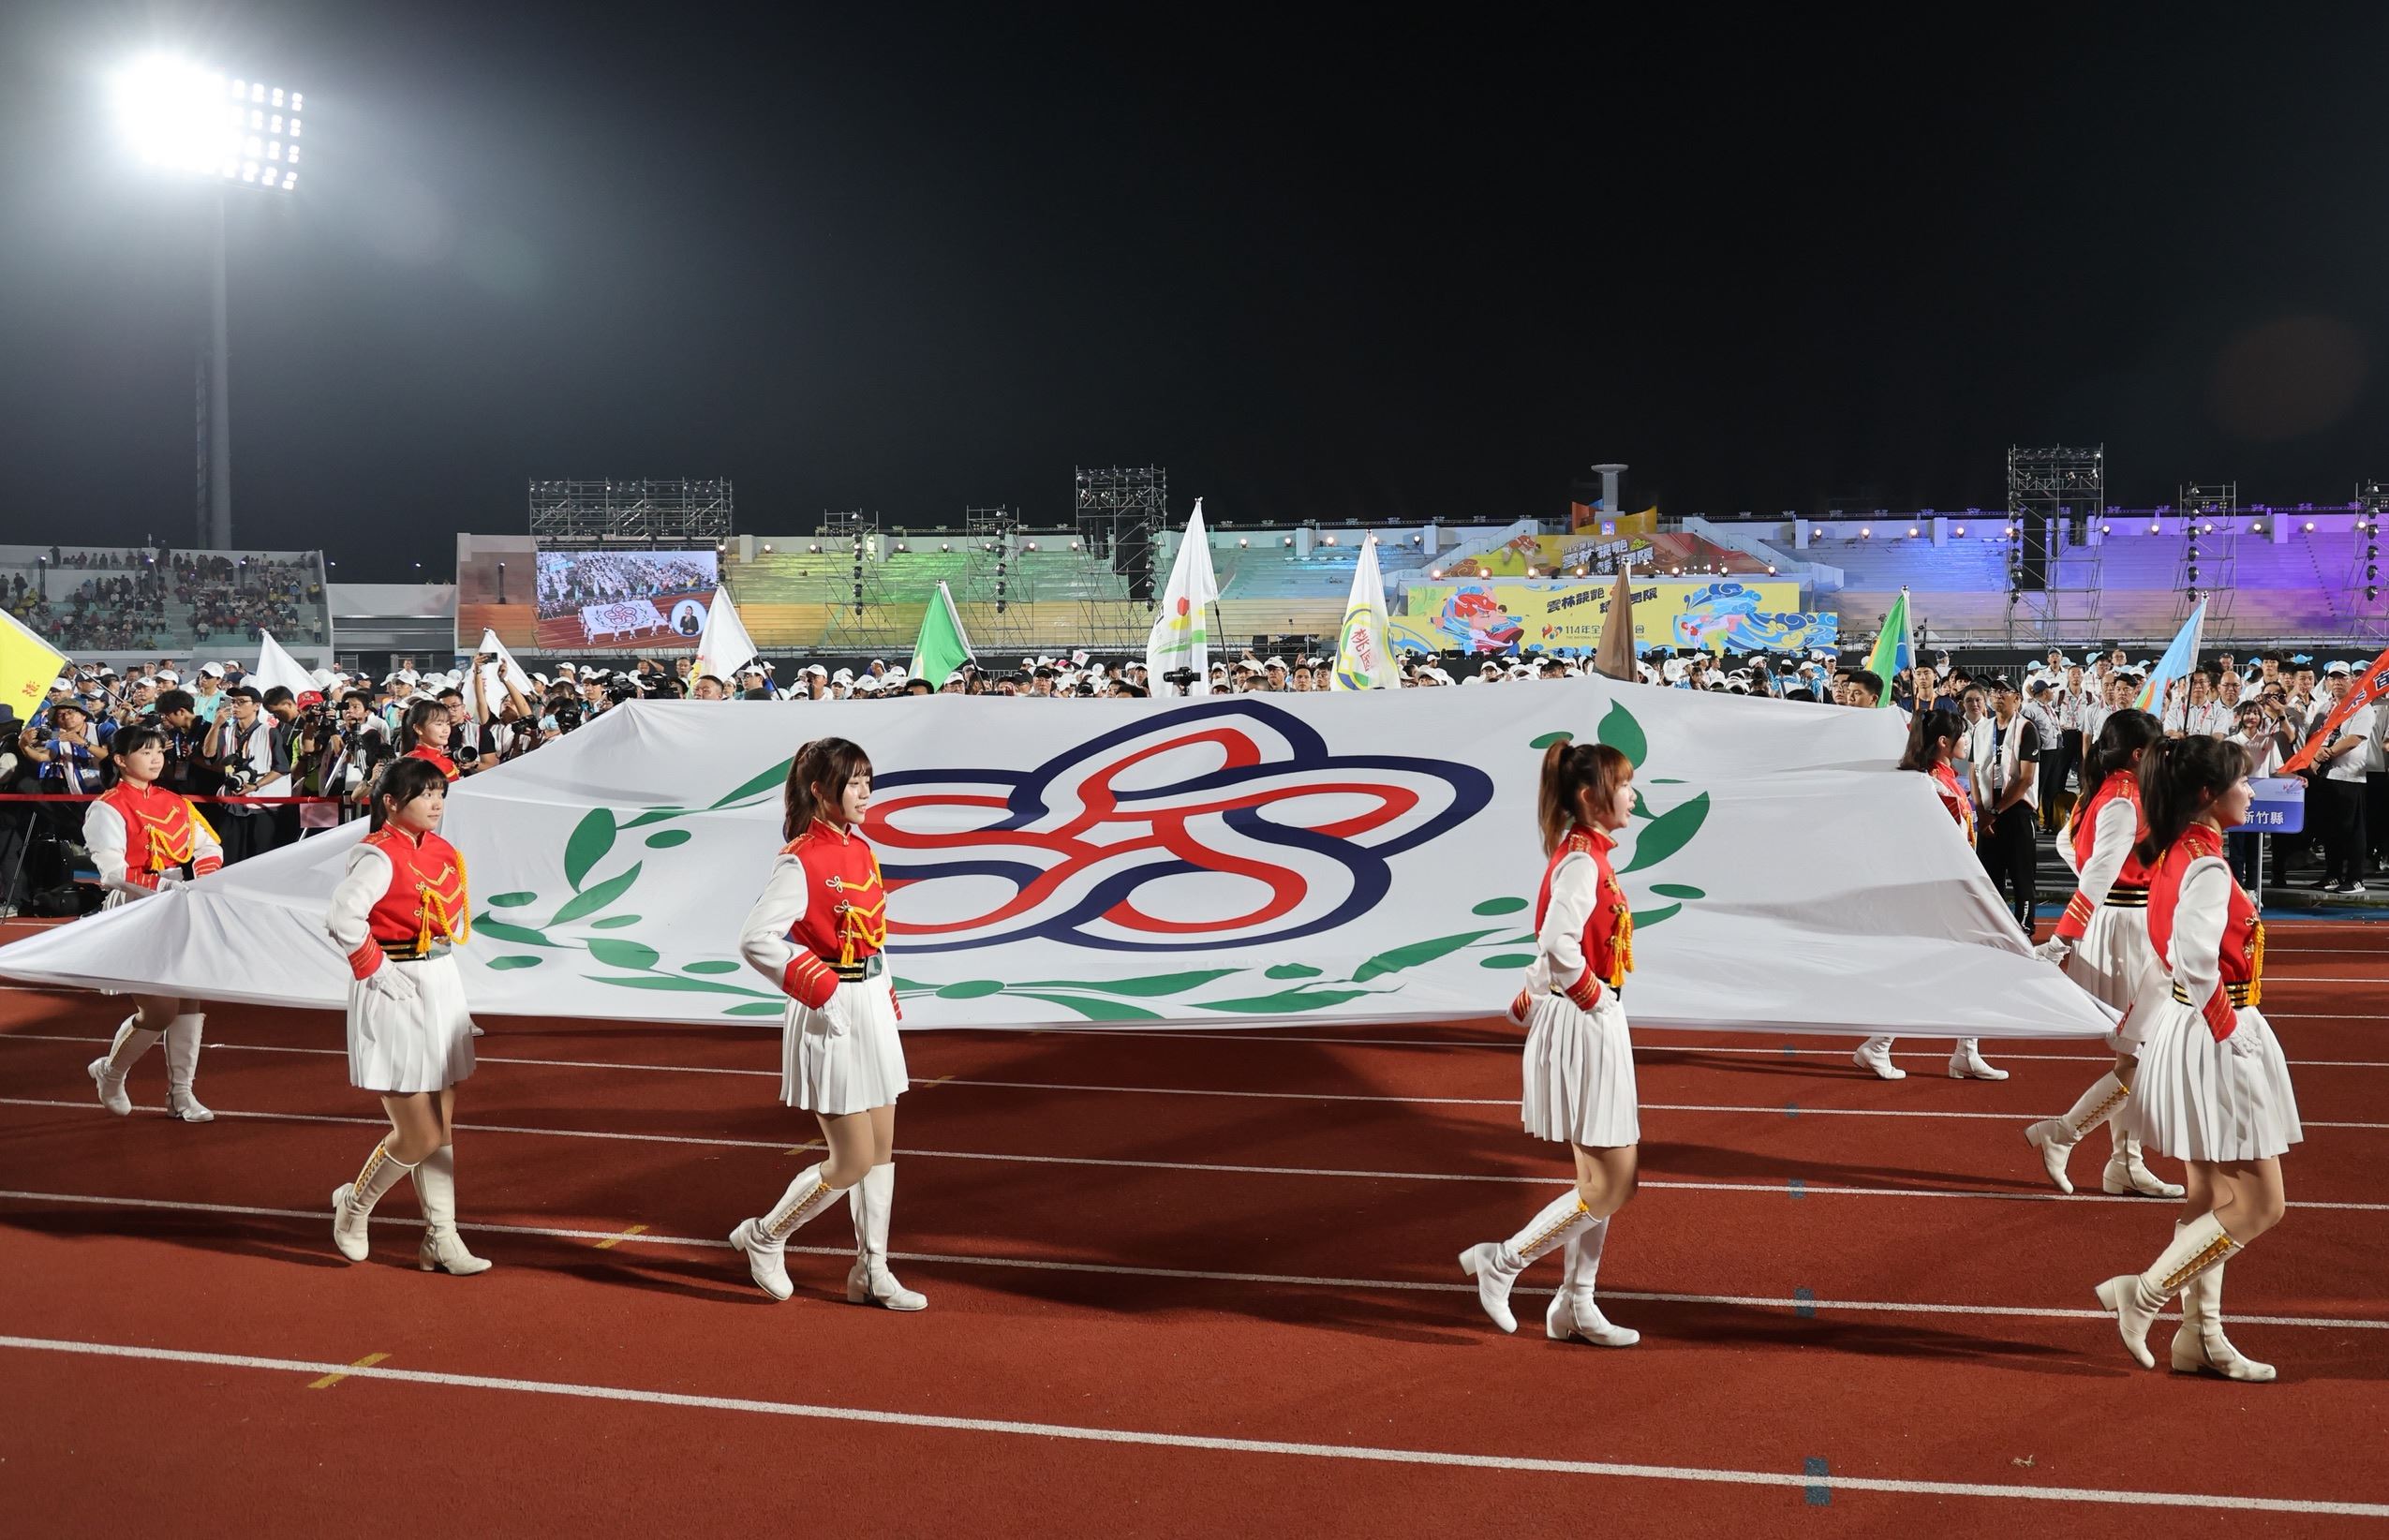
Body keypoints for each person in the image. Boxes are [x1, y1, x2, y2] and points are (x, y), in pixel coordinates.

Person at [2093, 735, 2299, 1381]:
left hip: (2188, 1026)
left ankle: (2199, 1337)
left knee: (2208, 1193)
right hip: (2215, 1030)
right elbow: (2193, 958)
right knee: (2260, 1204)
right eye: (2242, 780)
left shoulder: (2177, 850)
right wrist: (2227, 1029)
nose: (2251, 791)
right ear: (2208, 794)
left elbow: (2171, 959)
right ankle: (2144, 1294)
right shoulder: (2204, 863)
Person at [727, 736, 924, 1311]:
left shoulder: (860, 848)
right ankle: (766, 1236)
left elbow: (872, 934)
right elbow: (755, 939)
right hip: (829, 1011)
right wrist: (823, 988)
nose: (865, 792)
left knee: (881, 1151)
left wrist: (885, 991)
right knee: (852, 1159)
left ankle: (871, 1272)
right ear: (820, 790)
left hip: (870, 1003)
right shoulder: (801, 859)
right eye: (853, 781)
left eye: (868, 780)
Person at [1458, 739, 1642, 1347]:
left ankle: (1575, 1304)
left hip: (1583, 1014)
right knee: (1612, 1183)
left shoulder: (1583, 852)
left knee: (1600, 1180)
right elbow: (1557, 939)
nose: (1633, 795)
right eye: (1623, 785)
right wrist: (1591, 997)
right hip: (1588, 1021)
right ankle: (1503, 1261)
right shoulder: (1584, 861)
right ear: (1591, 797)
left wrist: (1533, 993)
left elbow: (1556, 944)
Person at [322, 757, 489, 1275]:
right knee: (418, 1133)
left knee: (443, 1126)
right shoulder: (377, 854)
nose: (437, 803)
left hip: (440, 982)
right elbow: (341, 918)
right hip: (394, 986)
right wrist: (375, 969)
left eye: (441, 793)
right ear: (391, 802)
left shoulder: (442, 850)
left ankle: (442, 1237)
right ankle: (354, 1208)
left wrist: (452, 1001)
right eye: (425, 794)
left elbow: (445, 923)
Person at [2023, 710, 2180, 1197]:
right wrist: (2063, 938)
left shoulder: (2106, 792)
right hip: (2127, 930)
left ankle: (2124, 1162)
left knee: (2141, 1052)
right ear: (2138, 753)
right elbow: (2096, 873)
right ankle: (2065, 1133)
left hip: (2126, 921)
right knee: (2143, 1052)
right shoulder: (2124, 799)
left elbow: (2070, 846)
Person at [1852, 709, 2007, 1082]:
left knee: (1967, 965)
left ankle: (1960, 1050)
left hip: (1954, 887)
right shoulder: (1931, 786)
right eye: (1962, 735)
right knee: (1933, 967)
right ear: (1943, 742)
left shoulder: (1944, 780)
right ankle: (1883, 1045)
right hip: (1943, 890)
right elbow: (1939, 844)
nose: (1967, 741)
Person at [82, 725, 224, 1121]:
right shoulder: (107, 807)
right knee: (159, 1010)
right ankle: (111, 1073)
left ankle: (181, 1094)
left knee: (189, 1000)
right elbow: (112, 872)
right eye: (145, 752)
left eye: (159, 750)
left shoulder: (174, 801)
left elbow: (208, 846)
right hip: (136, 906)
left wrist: (203, 878)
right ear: (120, 760)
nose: (156, 758)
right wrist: (164, 887)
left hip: (178, 902)